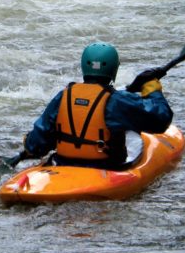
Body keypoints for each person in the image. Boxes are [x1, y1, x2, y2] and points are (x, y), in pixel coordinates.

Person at [22, 42, 173, 169]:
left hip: (63, 165)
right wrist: (152, 89)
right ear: (114, 69)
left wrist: (30, 145)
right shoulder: (117, 100)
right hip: (106, 168)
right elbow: (160, 120)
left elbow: (36, 144)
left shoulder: (63, 96)